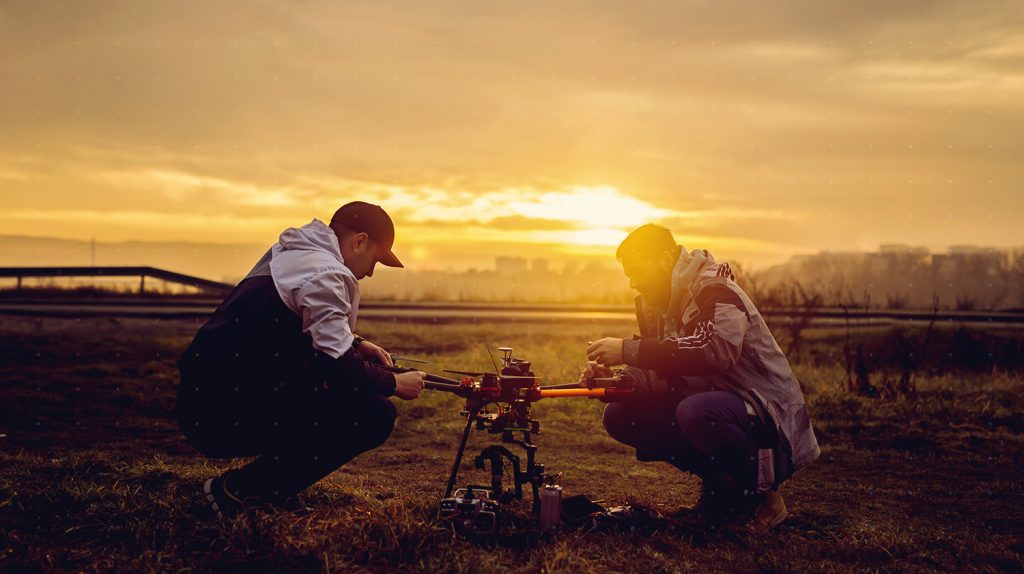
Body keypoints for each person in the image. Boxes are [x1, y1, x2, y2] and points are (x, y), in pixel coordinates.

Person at [174, 201, 426, 519]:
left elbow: (294, 328)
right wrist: (394, 382)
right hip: (223, 414)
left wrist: (356, 343)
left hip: (209, 400)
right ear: (359, 241)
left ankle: (269, 489)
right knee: (372, 413)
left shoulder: (296, 255)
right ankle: (238, 492)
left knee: (339, 396)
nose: (369, 273)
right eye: (374, 261)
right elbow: (337, 366)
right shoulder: (326, 273)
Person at [580, 224, 819, 533]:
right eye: (628, 275)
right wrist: (614, 381)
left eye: (638, 271)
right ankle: (721, 492)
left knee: (696, 413)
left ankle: (762, 501)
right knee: (621, 416)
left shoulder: (714, 289)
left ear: (666, 260)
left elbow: (714, 351)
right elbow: (664, 365)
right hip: (714, 400)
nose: (633, 284)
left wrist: (629, 350)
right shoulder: (662, 303)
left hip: (764, 408)